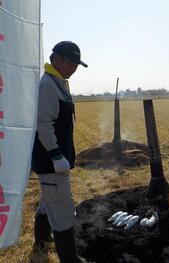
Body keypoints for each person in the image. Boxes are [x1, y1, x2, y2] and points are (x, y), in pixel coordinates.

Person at [31, 41, 88, 262]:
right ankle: (70, 259)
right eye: (71, 63)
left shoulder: (58, 82)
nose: (73, 69)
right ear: (56, 59)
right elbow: (43, 124)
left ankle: (41, 238)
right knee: (63, 209)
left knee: (49, 199)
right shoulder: (48, 85)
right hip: (51, 160)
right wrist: (56, 155)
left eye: (76, 65)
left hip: (56, 160)